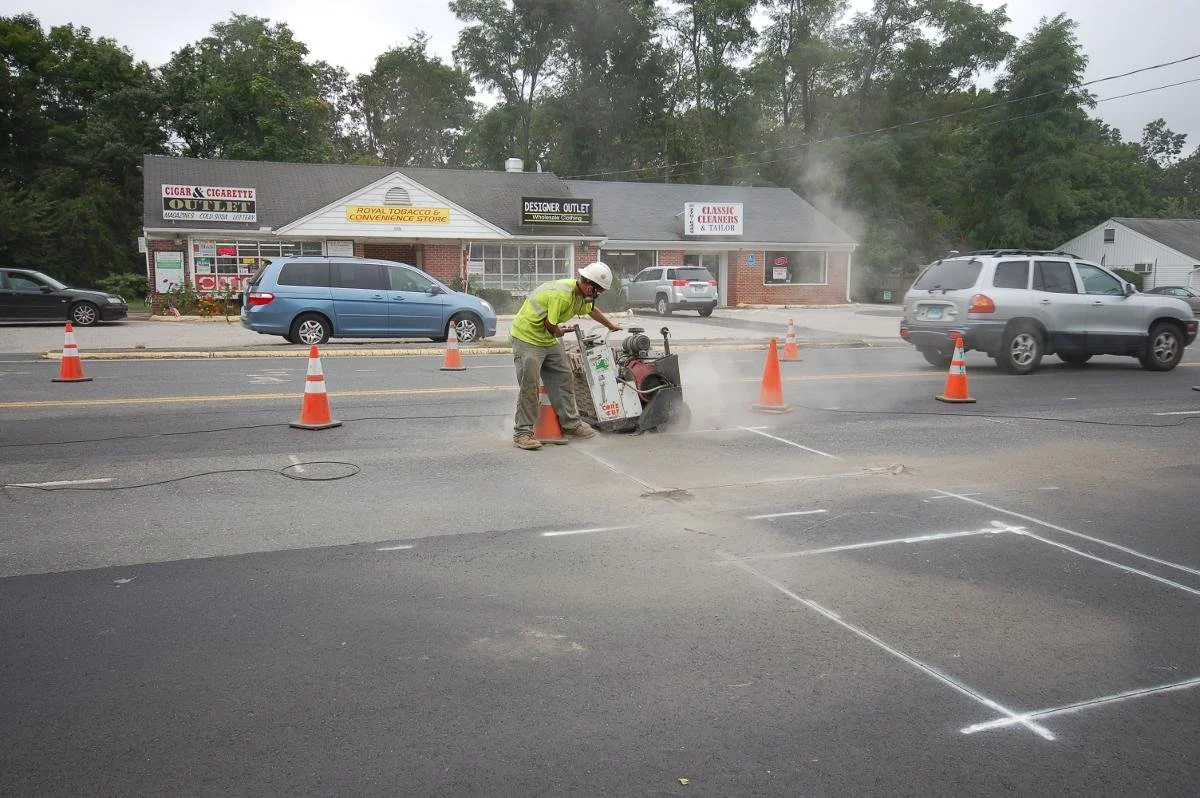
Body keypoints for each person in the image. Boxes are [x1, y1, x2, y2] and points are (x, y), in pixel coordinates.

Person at [510, 261, 622, 450]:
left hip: (546, 338)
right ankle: (522, 433)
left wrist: (610, 325)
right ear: (588, 286)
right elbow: (550, 325)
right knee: (530, 385)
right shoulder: (562, 295)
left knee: (564, 376)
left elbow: (592, 310)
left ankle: (571, 425)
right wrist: (560, 332)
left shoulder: (581, 296)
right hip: (527, 337)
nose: (599, 295)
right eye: (599, 291)